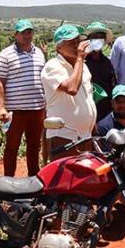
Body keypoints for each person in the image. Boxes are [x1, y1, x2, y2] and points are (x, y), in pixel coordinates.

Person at [0, 19, 47, 177]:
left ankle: (33, 181)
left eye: (29, 32)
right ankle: (8, 182)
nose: (26, 35)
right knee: (12, 147)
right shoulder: (6, 54)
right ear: (15, 34)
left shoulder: (38, 53)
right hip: (15, 111)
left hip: (37, 108)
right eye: (23, 32)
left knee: (34, 146)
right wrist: (2, 107)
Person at [40, 25, 96, 160]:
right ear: (59, 48)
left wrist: (92, 124)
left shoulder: (82, 66)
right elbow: (72, 88)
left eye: (78, 41)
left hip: (85, 136)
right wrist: (79, 59)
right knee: (66, 179)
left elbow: (87, 98)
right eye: (72, 43)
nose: (77, 46)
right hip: (64, 136)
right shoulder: (53, 66)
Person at [84, 21, 116, 122]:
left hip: (105, 110)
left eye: (101, 37)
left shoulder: (107, 62)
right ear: (88, 39)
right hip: (86, 108)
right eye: (95, 36)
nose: (98, 39)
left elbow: (112, 83)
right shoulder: (81, 61)